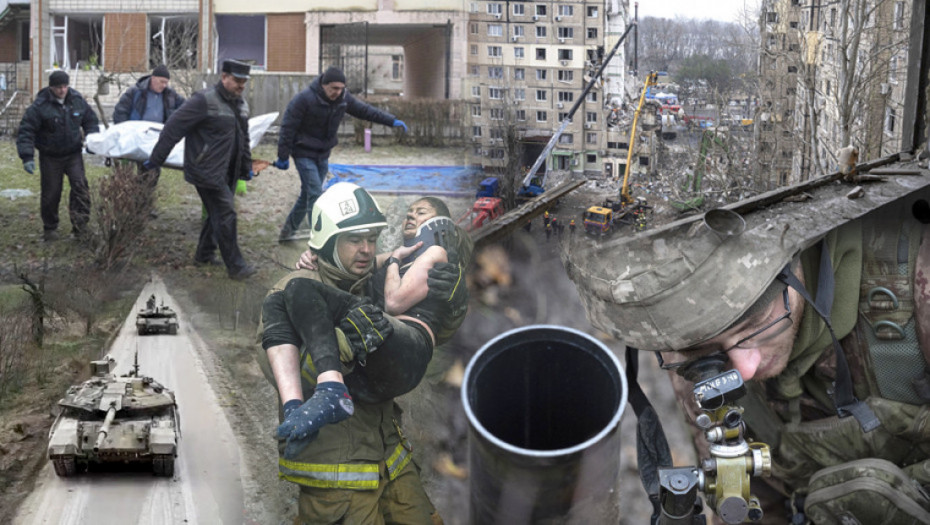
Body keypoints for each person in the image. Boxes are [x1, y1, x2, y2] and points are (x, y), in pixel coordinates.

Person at [564, 182, 930, 523]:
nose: (746, 368)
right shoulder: (695, 367)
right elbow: (747, 500)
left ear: (796, 262)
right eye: (704, 350)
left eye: (755, 324)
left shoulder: (917, 280)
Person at [255, 184, 468, 524]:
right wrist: (347, 344)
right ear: (327, 240)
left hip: (389, 453)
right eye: (355, 239)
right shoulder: (291, 290)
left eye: (371, 238)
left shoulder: (375, 282)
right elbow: (280, 371)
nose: (367, 249)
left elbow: (421, 340)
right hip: (337, 470)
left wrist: (452, 303)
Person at [144, 59, 257, 280]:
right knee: (226, 214)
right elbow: (173, 128)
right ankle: (237, 267)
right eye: (237, 80)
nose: (241, 85)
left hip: (228, 170)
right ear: (224, 77)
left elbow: (243, 139)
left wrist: (245, 167)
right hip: (206, 169)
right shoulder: (203, 101)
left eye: (244, 82)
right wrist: (156, 160)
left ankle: (204, 255)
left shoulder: (241, 105)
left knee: (216, 213)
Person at [273, 66, 409, 241]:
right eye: (334, 88)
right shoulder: (304, 99)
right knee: (315, 193)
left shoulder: (343, 99)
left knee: (307, 194)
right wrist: (283, 156)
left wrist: (391, 121)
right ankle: (318, 237)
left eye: (341, 88)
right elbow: (288, 127)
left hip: (323, 153)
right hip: (303, 152)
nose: (338, 92)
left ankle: (287, 231)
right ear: (324, 85)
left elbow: (365, 111)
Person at [16, 70, 99, 242]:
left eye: (65, 86)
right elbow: (26, 130)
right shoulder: (40, 106)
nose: (62, 90)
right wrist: (27, 156)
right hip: (50, 155)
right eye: (58, 87)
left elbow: (90, 120)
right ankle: (50, 228)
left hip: (73, 153)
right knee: (51, 192)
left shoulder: (77, 100)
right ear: (51, 87)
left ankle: (80, 225)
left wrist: (93, 141)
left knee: (80, 187)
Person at [112, 64, 186, 187]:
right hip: (136, 137)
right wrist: (124, 132)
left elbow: (186, 108)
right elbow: (120, 111)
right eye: (162, 82)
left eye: (166, 83)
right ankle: (131, 197)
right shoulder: (135, 92)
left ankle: (144, 198)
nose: (164, 85)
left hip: (157, 138)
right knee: (130, 171)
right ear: (153, 78)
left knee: (152, 172)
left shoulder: (170, 95)